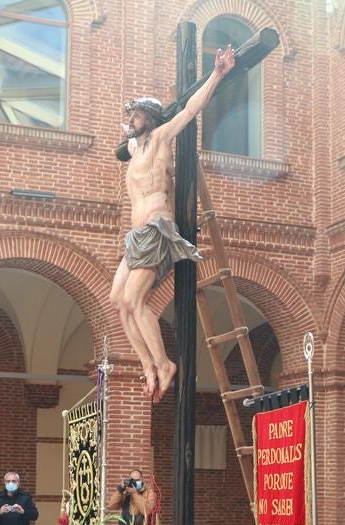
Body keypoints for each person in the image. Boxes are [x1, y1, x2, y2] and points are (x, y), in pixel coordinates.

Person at [111, 44, 235, 403]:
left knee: (135, 299)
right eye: (130, 116)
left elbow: (192, 108)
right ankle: (149, 366)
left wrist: (217, 74)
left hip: (156, 229)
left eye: (136, 116)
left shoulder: (162, 138)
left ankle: (164, 364)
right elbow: (130, 144)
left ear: (149, 118)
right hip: (136, 236)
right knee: (118, 300)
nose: (131, 120)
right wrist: (130, 138)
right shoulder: (134, 154)